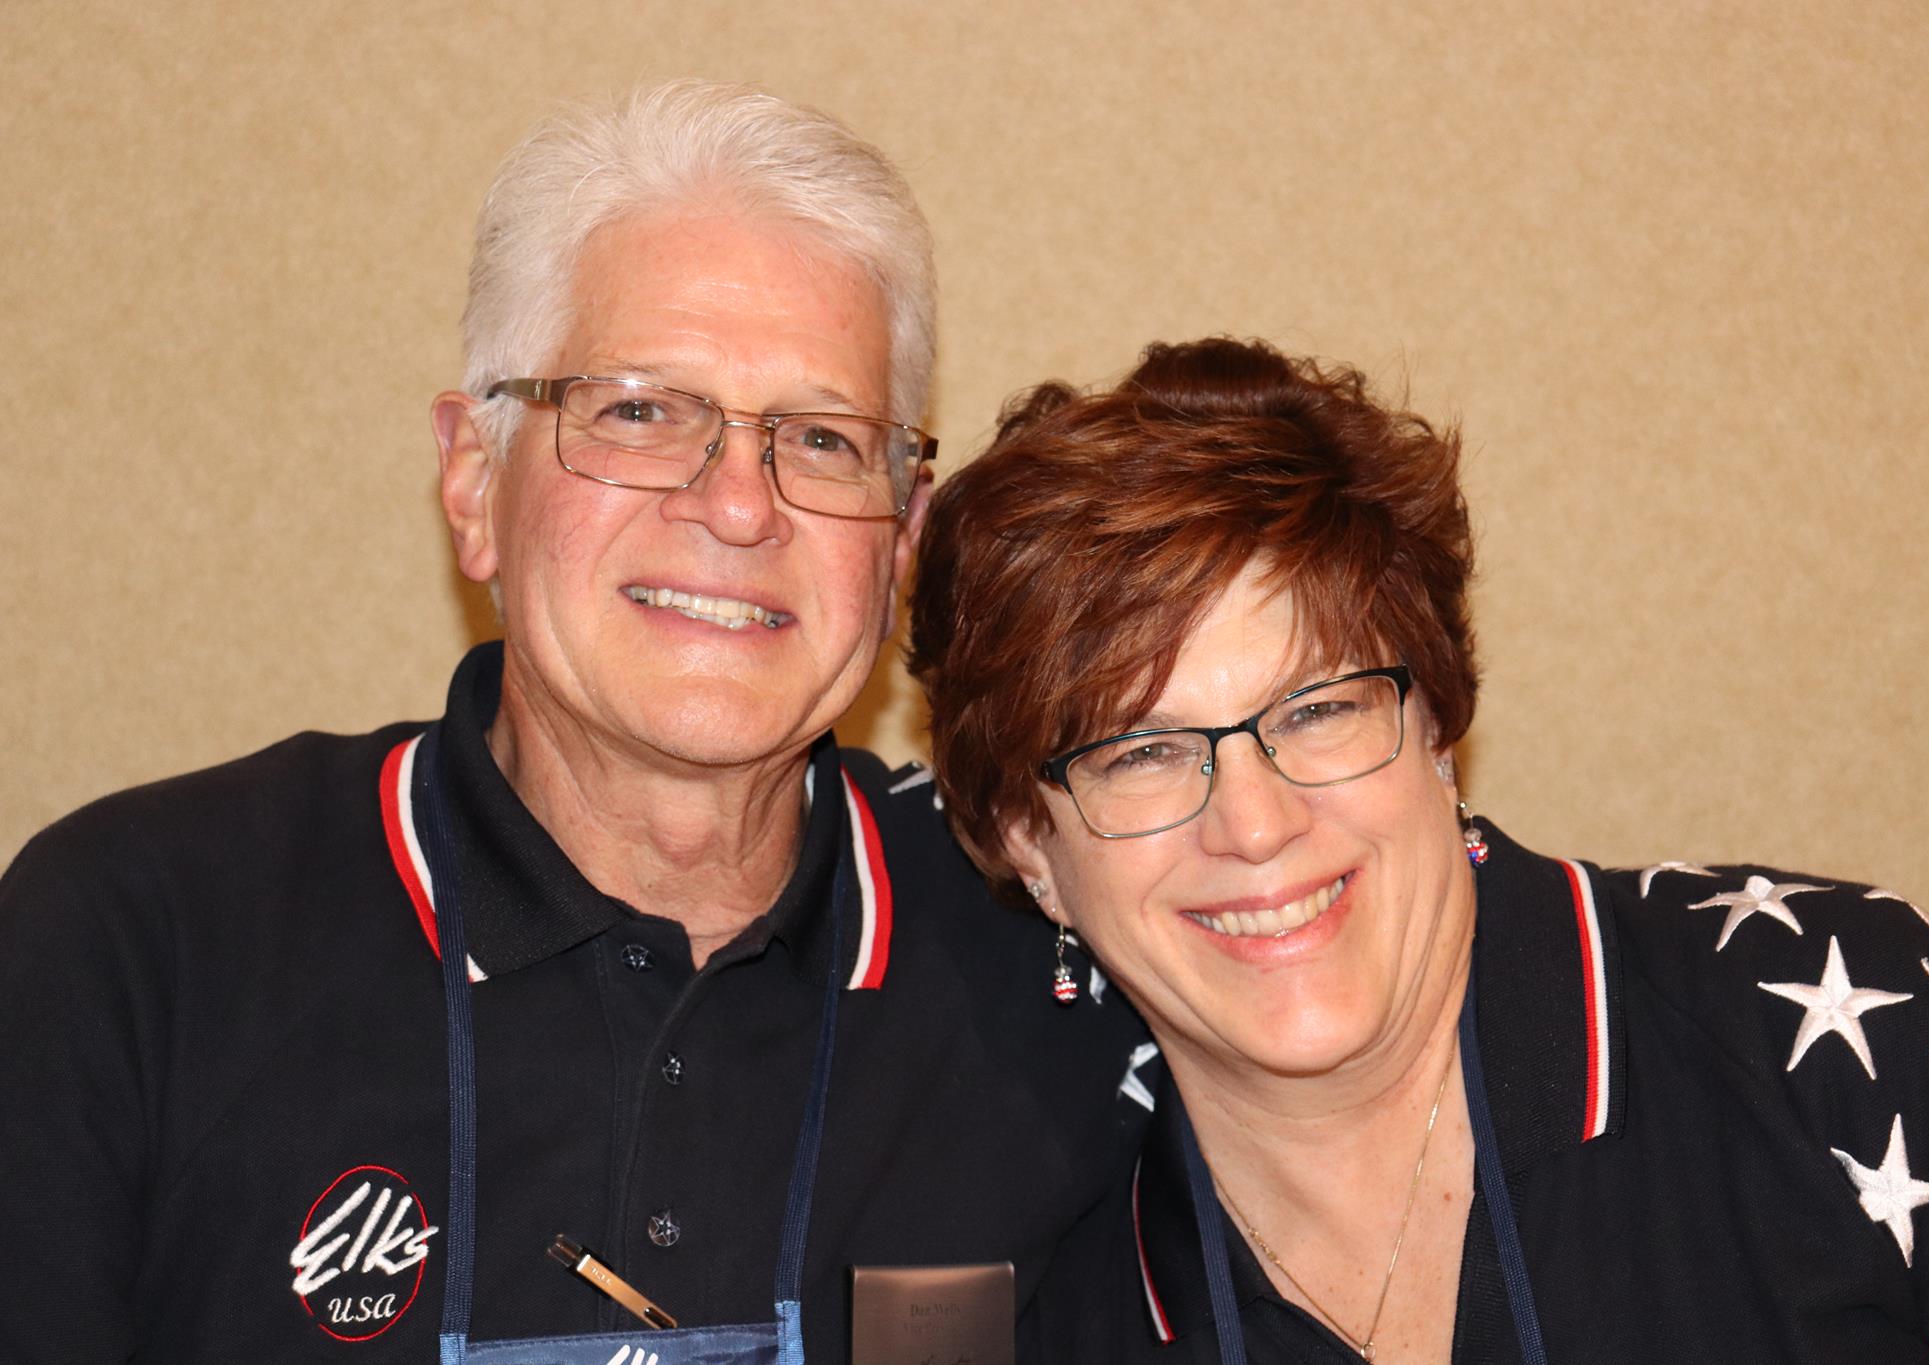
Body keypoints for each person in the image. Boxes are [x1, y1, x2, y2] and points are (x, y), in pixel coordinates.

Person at [0, 81, 1147, 1364]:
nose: (738, 507)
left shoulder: (1050, 935)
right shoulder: (136, 939)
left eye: (821, 439)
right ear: (472, 480)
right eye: (640, 410)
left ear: (899, 543)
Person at [908, 336, 1929, 1363]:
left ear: (1438, 731)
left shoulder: (1839, 1039)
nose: (1253, 825)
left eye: (1319, 709)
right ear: (1029, 845)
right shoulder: (1045, 1295)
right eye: (1143, 752)